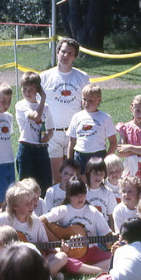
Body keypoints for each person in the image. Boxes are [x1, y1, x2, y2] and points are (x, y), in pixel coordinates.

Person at [40, 37, 91, 183]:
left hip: (74, 134)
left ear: (75, 57)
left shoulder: (82, 77)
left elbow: (86, 106)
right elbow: (39, 107)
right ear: (57, 53)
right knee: (56, 179)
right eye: (63, 52)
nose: (65, 56)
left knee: (75, 178)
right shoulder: (44, 77)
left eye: (70, 53)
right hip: (52, 133)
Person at [67, 84, 117, 180]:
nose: (86, 103)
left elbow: (113, 142)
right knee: (81, 184)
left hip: (98, 155)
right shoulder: (76, 117)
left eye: (90, 100)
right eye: (84, 99)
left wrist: (106, 159)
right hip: (80, 155)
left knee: (97, 182)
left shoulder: (105, 118)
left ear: (99, 100)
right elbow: (72, 141)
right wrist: (70, 161)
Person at [15, 71, 53, 194]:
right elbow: (36, 117)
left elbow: (50, 128)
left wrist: (48, 136)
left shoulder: (45, 107)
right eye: (24, 89)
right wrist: (43, 98)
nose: (27, 93)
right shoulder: (21, 105)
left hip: (42, 150)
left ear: (38, 89)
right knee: (26, 188)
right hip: (27, 149)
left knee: (45, 187)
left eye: (31, 89)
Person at [84, 157, 117, 226]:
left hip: (104, 226)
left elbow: (111, 216)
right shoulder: (82, 191)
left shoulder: (108, 192)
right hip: (87, 227)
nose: (98, 177)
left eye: (101, 173)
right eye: (95, 173)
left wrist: (112, 232)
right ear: (88, 173)